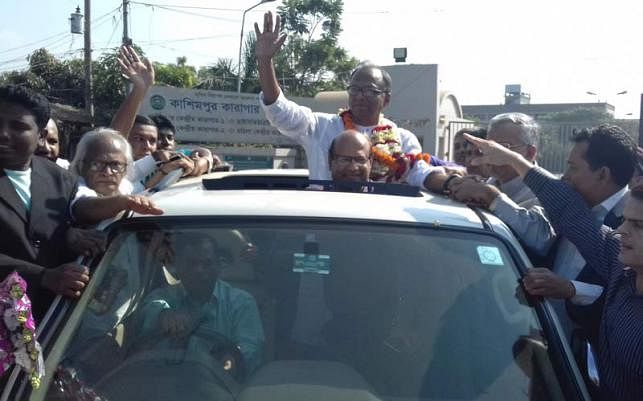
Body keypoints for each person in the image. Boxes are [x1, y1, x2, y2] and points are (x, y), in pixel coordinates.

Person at [464, 133, 643, 401]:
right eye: (626, 221)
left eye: (637, 225)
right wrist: (514, 161)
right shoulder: (619, 263)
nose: (622, 231)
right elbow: (571, 213)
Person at [254, 11, 448, 190]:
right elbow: (280, 111)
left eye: (370, 91)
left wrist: (451, 183)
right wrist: (264, 61)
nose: (360, 95)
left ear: (386, 99)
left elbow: (419, 173)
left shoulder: (403, 139)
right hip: (324, 218)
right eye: (355, 89)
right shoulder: (321, 127)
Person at [0, 84, 89, 319]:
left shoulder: (61, 178)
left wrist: (73, 235)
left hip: (55, 322)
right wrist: (44, 276)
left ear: (40, 135)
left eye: (18, 126)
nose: (3, 133)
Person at [137, 232, 264, 377]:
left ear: (218, 266)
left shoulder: (241, 302)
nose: (199, 270)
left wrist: (231, 360)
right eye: (191, 263)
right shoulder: (165, 297)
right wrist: (163, 314)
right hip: (168, 384)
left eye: (207, 263)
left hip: (224, 387)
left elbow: (251, 349)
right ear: (178, 266)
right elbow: (151, 307)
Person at [70, 129, 163, 226]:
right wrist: (123, 202)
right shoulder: (75, 188)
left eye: (115, 165)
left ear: (126, 168)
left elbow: (140, 176)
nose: (107, 172)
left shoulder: (125, 186)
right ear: (80, 165)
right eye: (97, 164)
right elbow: (84, 208)